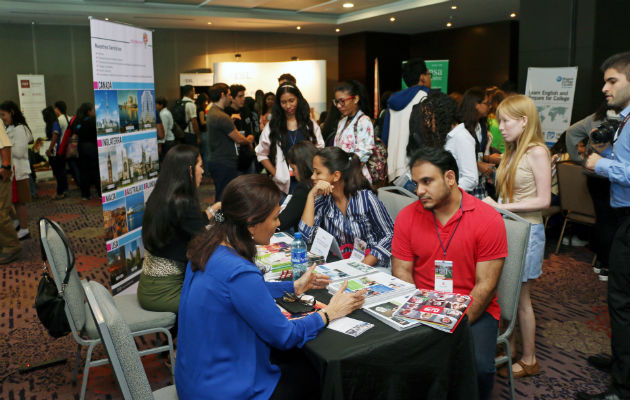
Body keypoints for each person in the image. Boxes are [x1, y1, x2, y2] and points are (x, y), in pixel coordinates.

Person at [175, 174, 365, 399]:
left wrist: (294, 287)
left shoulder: (207, 248)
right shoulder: (239, 271)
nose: (278, 224)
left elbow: (242, 294)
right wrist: (329, 313)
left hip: (194, 379)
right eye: (275, 218)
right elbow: (284, 336)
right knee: (319, 376)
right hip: (226, 390)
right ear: (251, 224)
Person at [391, 146, 508, 400]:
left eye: (427, 181)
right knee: (396, 359)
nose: (419, 190)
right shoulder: (407, 216)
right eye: (415, 183)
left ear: (450, 178)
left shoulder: (488, 219)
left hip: (474, 309)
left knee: (475, 367)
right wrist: (421, 317)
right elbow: (401, 272)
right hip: (422, 305)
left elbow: (486, 286)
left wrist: (452, 326)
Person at [482, 94, 551, 380]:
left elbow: (544, 200)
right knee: (505, 292)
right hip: (508, 227)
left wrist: (501, 208)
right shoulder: (511, 150)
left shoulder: (537, 151)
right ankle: (509, 348)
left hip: (527, 230)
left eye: (506, 121)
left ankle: (530, 358)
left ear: (524, 121)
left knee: (521, 297)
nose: (502, 127)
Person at [579, 51, 630, 400]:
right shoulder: (623, 121)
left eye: (612, 80)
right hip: (623, 215)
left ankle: (623, 387)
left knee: (622, 301)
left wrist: (599, 164)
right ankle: (621, 363)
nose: (604, 88)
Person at [138, 144, 220, 313]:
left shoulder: (162, 195)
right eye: (200, 166)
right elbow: (207, 243)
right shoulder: (182, 203)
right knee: (220, 301)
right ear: (190, 170)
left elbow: (191, 222)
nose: (203, 172)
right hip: (164, 293)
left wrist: (217, 207)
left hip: (149, 286)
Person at [299, 147, 393, 267]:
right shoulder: (323, 200)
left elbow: (390, 234)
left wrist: (366, 263)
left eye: (318, 172)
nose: (313, 177)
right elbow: (304, 237)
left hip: (374, 265)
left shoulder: (366, 198)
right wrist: (311, 196)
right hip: (343, 265)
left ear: (336, 176)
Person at [256, 84, 324, 194]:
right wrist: (276, 174)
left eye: (291, 100)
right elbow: (261, 153)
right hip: (284, 184)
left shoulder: (309, 124)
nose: (288, 106)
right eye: (283, 102)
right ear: (279, 103)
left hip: (310, 181)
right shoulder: (273, 126)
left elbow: (320, 150)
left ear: (298, 99)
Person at [414, 91, 478, 192]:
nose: (427, 122)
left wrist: (444, 191)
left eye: (430, 117)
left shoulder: (462, 137)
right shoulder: (446, 136)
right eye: (425, 117)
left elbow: (471, 179)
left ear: (442, 115)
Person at [383, 58, 432, 181]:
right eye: (429, 74)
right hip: (419, 166)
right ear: (423, 77)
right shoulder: (427, 97)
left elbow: (385, 135)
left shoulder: (393, 101)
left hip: (394, 167)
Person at [206, 83, 253, 201]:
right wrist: (249, 140)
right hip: (224, 162)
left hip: (219, 161)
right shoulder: (222, 116)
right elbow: (239, 139)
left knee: (222, 196)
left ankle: (220, 219)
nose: (230, 98)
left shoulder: (213, 112)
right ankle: (219, 219)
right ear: (222, 95)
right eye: (228, 95)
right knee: (223, 198)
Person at [0, 101, 33, 241]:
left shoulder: (19, 128)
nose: (2, 118)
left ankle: (24, 229)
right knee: (13, 201)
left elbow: (19, 152)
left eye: (3, 115)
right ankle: (18, 223)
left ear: (12, 112)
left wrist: (6, 149)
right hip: (15, 171)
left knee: (20, 202)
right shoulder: (11, 127)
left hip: (19, 171)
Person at [332, 81, 375, 182]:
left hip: (356, 178)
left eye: (342, 101)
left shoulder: (364, 121)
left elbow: (364, 153)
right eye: (336, 101)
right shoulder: (342, 122)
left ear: (355, 99)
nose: (338, 105)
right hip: (341, 176)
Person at [460, 87, 494, 199]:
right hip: (464, 183)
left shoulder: (481, 125)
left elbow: (480, 153)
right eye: (487, 103)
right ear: (475, 104)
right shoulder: (460, 128)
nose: (490, 106)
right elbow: (454, 157)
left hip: (480, 181)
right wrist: (477, 165)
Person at [279, 141, 317, 232]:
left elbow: (283, 221)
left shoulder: (304, 188)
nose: (292, 173)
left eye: (293, 169)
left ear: (302, 166)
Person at [0, 122, 20, 264]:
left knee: (0, 212)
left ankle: (12, 246)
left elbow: (4, 144)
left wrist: (6, 166)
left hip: (1, 175)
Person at [74, 102, 100, 200]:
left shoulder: (78, 121)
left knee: (83, 172)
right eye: (93, 110)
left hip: (81, 148)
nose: (94, 111)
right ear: (89, 111)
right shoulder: (93, 121)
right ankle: (100, 192)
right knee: (96, 171)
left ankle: (85, 194)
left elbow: (75, 132)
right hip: (92, 148)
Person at [42, 106, 67, 199]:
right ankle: (62, 190)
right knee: (58, 172)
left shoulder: (54, 124)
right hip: (55, 150)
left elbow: (54, 137)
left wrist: (49, 149)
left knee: (58, 172)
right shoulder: (53, 123)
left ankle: (60, 192)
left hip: (55, 151)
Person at [54, 100, 80, 188]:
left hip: (62, 146)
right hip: (71, 146)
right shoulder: (70, 118)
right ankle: (79, 183)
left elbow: (56, 134)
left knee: (62, 168)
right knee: (73, 165)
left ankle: (65, 186)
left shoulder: (58, 120)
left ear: (57, 109)